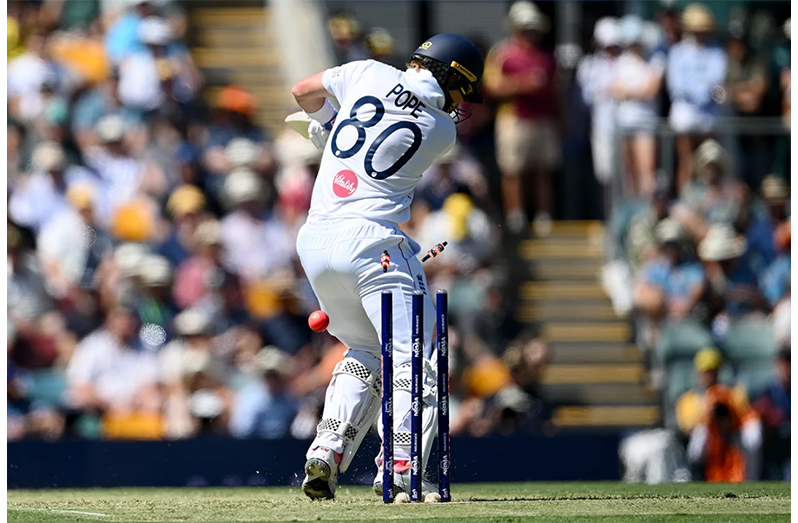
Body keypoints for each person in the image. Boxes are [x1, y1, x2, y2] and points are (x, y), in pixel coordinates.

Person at [290, 33, 484, 499]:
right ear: (448, 75)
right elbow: (408, 117)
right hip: (374, 243)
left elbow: (302, 90)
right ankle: (400, 467)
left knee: (366, 351)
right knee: (417, 355)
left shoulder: (365, 71)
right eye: (462, 88)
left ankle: (327, 448)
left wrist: (327, 123)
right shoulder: (442, 131)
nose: (460, 102)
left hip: (315, 240)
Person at [483, 1, 558, 234]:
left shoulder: (546, 57)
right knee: (512, 170)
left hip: (542, 119)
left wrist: (559, 120)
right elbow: (491, 86)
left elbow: (556, 92)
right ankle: (515, 215)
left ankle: (543, 215)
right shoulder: (502, 54)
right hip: (513, 119)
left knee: (543, 170)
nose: (530, 32)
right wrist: (522, 84)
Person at [666, 3, 727, 191]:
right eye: (696, 30)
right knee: (687, 162)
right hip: (686, 117)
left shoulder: (717, 53)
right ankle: (686, 203)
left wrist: (704, 95)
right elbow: (676, 85)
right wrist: (700, 94)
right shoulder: (677, 53)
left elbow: (718, 81)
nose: (700, 34)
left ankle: (711, 205)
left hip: (710, 118)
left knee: (711, 163)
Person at [677, 348, 762, 482]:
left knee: (753, 433)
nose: (709, 375)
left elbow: (742, 416)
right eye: (705, 371)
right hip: (708, 444)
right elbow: (688, 428)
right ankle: (695, 477)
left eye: (712, 371)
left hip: (731, 438)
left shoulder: (731, 393)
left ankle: (750, 480)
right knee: (701, 434)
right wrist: (707, 414)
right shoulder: (689, 399)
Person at [612, 16, 665, 196]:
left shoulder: (656, 59)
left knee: (646, 168)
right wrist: (638, 91)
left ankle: (646, 209)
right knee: (629, 171)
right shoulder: (621, 61)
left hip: (645, 122)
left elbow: (651, 91)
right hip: (625, 122)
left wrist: (629, 92)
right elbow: (616, 90)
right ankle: (631, 213)